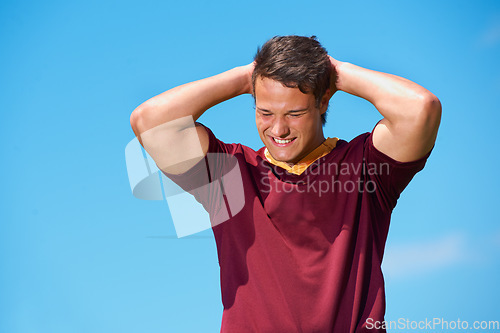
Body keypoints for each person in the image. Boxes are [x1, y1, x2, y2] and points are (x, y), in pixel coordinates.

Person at [130, 35, 441, 332]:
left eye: (294, 113)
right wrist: (247, 77)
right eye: (265, 112)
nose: (278, 128)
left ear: (323, 102)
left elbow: (420, 109)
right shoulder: (229, 176)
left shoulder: (365, 169)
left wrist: (333, 72)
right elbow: (150, 121)